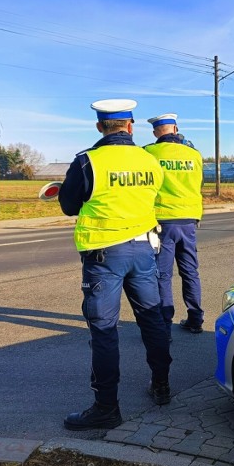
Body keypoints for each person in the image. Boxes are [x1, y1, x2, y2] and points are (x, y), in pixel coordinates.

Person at [58, 99, 173, 431]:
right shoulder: (150, 161)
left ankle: (106, 407)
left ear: (99, 127)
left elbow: (68, 205)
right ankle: (162, 386)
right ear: (131, 126)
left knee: (105, 330)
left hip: (104, 256)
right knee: (152, 319)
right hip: (144, 249)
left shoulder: (87, 161)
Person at [144, 113, 205, 339]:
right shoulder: (194, 154)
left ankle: (164, 325)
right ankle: (196, 318)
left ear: (155, 133)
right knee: (190, 271)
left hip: (162, 221)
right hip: (189, 220)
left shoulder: (149, 153)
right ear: (176, 128)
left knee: (162, 274)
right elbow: (199, 182)